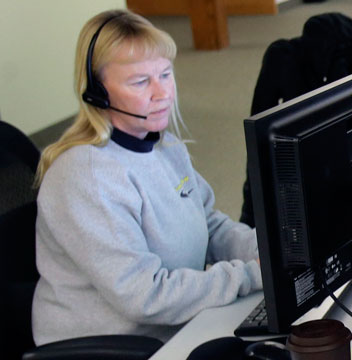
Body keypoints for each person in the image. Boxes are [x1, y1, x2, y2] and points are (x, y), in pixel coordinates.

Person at [31, 9, 261, 345]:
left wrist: (273, 252)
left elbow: (210, 226)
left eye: (165, 74)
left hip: (174, 324)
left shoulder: (164, 146)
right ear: (97, 92)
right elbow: (145, 296)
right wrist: (253, 274)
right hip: (114, 344)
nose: (162, 93)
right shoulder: (86, 177)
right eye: (141, 82)